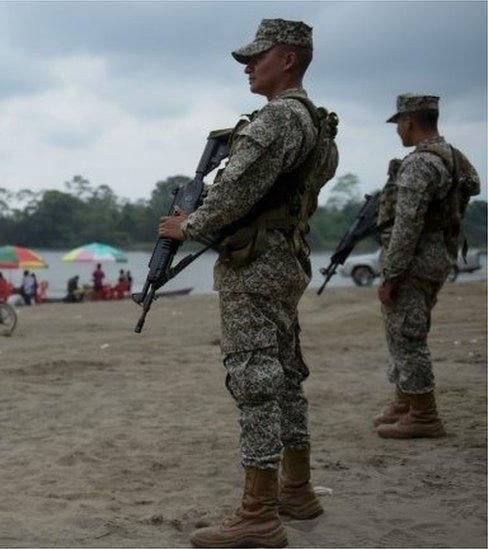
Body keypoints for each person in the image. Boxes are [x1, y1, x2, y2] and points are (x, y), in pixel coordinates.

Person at [158, 19, 335, 548]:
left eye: (257, 58)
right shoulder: (317, 122)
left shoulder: (278, 119)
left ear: (289, 58)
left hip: (254, 265)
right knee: (283, 374)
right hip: (286, 259)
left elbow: (232, 192)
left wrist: (185, 226)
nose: (247, 67)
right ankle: (297, 489)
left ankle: (258, 513)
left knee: (254, 380)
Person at [373, 94, 480, 439]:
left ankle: (424, 414)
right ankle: (406, 402)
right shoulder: (451, 156)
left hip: (415, 261)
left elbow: (407, 225)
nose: (398, 132)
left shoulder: (420, 163)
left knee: (407, 336)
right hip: (438, 256)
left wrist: (391, 274)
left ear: (409, 121)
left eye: (399, 124)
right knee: (407, 331)